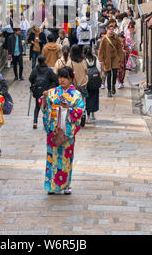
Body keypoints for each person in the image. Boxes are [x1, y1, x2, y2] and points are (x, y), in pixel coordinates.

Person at [39, 66, 85, 195]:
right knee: (52, 157)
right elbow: (44, 108)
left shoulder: (76, 95)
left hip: (67, 130)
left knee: (66, 158)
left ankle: (66, 185)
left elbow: (80, 110)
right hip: (53, 129)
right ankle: (51, 185)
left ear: (71, 79)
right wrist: (44, 99)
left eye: (65, 77)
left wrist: (69, 108)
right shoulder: (52, 92)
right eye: (60, 77)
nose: (62, 80)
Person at [29, 55, 58, 129]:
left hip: (37, 90)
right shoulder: (49, 70)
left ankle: (35, 122)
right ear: (45, 61)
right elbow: (56, 80)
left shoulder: (35, 69)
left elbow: (30, 78)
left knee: (37, 106)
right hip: (46, 91)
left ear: (38, 61)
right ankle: (47, 122)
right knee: (47, 106)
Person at [98, 24, 125, 98]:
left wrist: (120, 58)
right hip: (107, 59)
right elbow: (100, 50)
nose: (111, 31)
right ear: (107, 30)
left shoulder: (116, 37)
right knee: (109, 75)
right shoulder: (104, 39)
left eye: (112, 29)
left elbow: (120, 48)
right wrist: (100, 59)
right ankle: (109, 90)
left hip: (115, 59)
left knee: (115, 74)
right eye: (110, 29)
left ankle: (113, 85)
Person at [84, 46, 101, 123]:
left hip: (87, 82)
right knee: (94, 97)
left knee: (87, 98)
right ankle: (93, 113)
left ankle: (88, 117)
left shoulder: (83, 60)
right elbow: (99, 68)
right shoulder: (95, 58)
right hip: (95, 81)